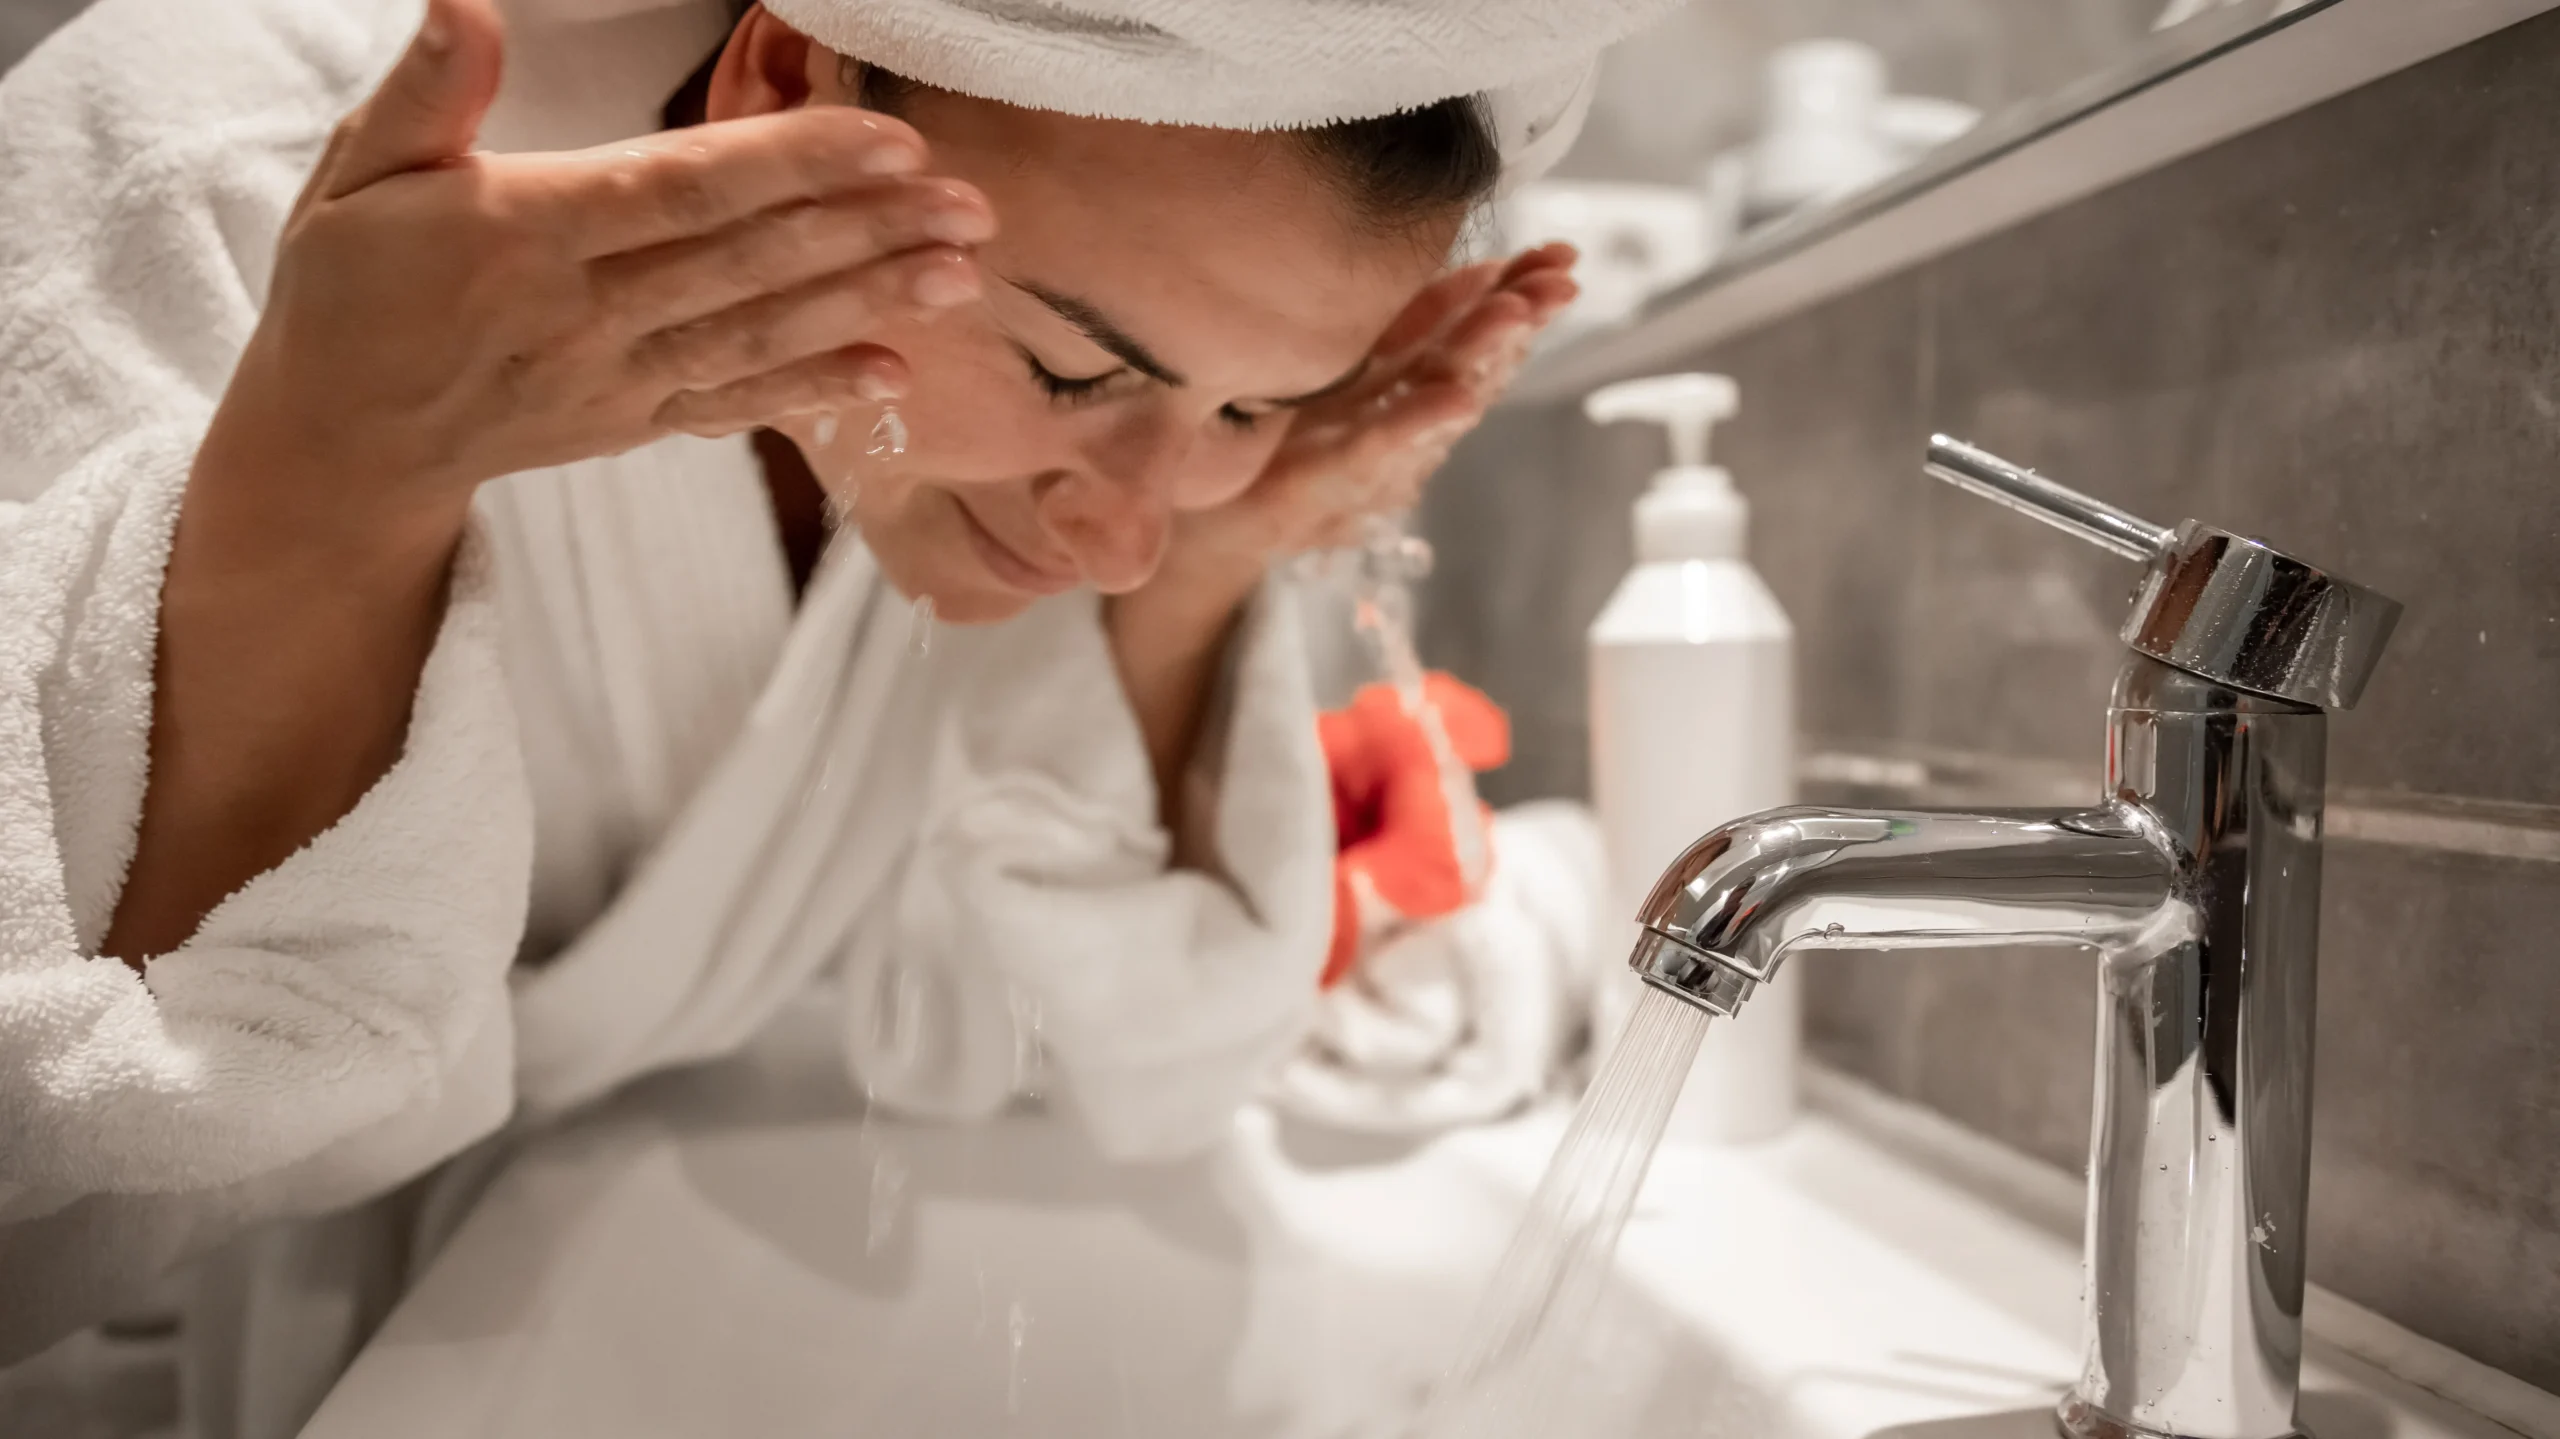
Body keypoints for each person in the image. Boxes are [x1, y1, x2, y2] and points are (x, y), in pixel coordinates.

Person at [0, 0, 1675, 1420]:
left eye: (1253, 402)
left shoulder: (1090, 483)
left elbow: (1095, 1051)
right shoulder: (216, 150)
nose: (1118, 522)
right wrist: (330, 477)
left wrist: (1202, 578)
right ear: (788, 86)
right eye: (1074, 372)